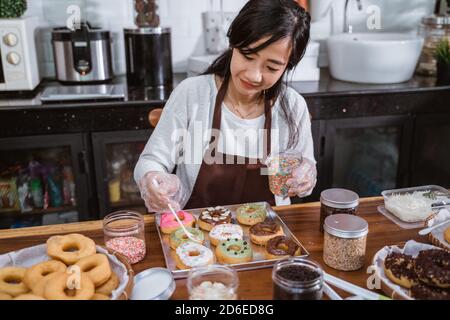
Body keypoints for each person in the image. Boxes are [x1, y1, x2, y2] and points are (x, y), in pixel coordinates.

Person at [135, 0, 316, 213]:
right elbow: (152, 160)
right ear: (233, 44)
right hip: (194, 238)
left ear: (287, 66)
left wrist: (306, 176)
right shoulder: (192, 94)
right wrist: (153, 178)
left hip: (268, 234)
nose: (253, 75)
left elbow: (305, 168)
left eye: (271, 67)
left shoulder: (293, 106)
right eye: (247, 56)